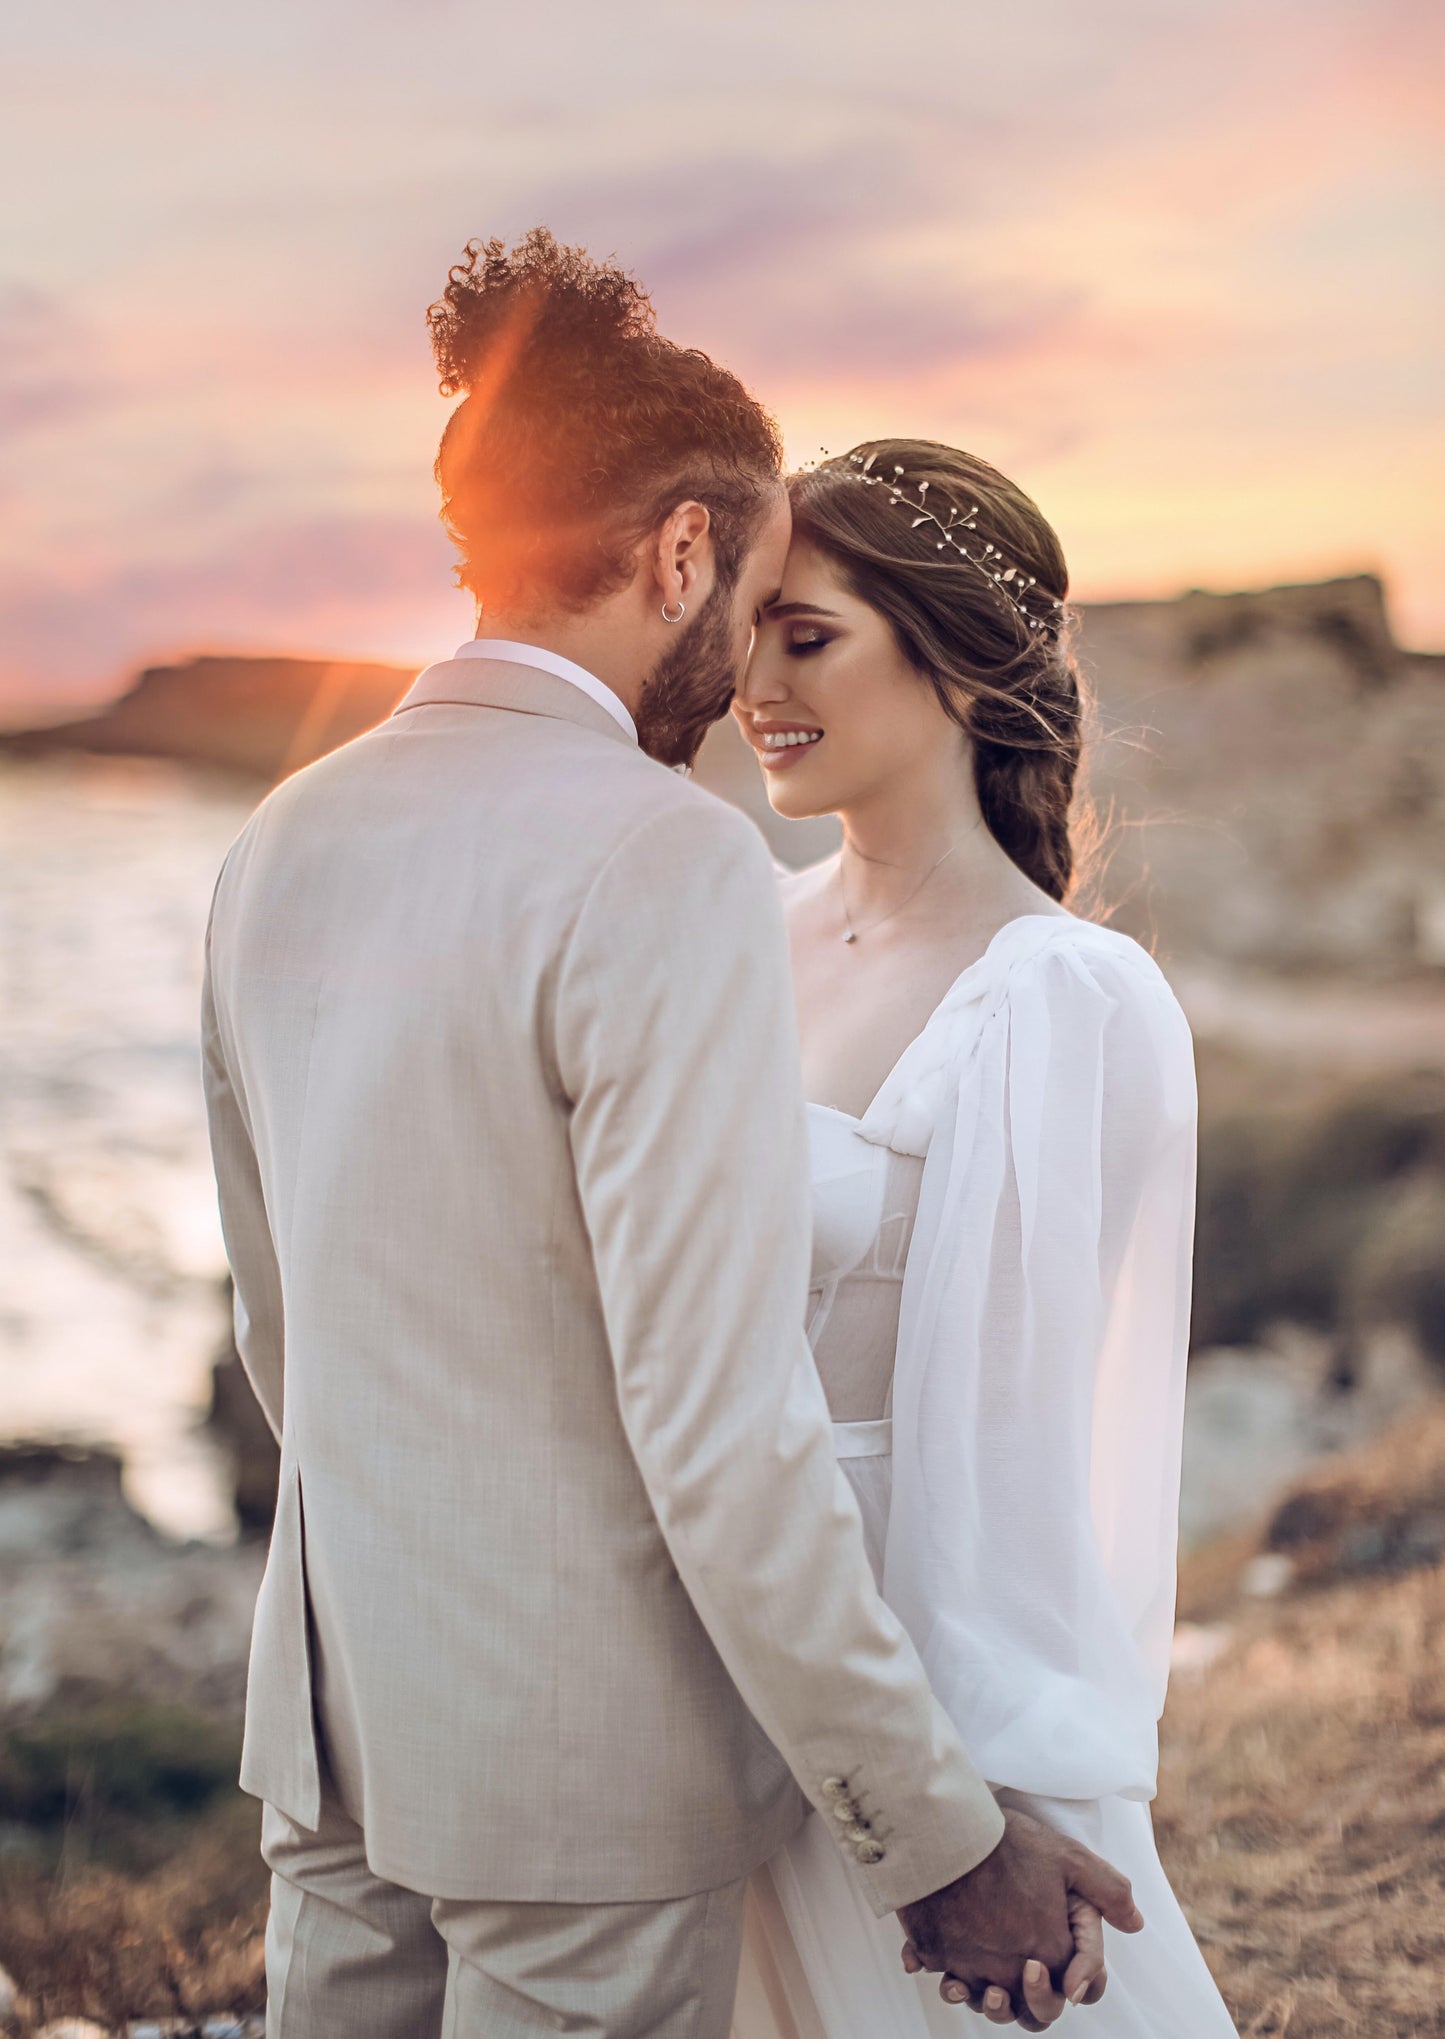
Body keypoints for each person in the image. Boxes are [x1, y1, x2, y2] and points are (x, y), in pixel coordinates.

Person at [201, 237, 1139, 2039]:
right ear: (685, 550)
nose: (750, 664)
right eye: (755, 589)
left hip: (331, 1739)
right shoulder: (664, 857)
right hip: (579, 1776)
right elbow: (717, 1425)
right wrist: (934, 1837)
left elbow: (283, 1336)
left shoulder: (279, 841)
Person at [728, 442, 1239, 2035]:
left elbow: (1021, 1468)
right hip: (714, 1666)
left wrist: (976, 1819)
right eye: (747, 628)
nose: (752, 679)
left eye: (803, 636)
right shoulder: (729, 926)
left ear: (951, 660)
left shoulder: (1054, 999)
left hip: (908, 1692)